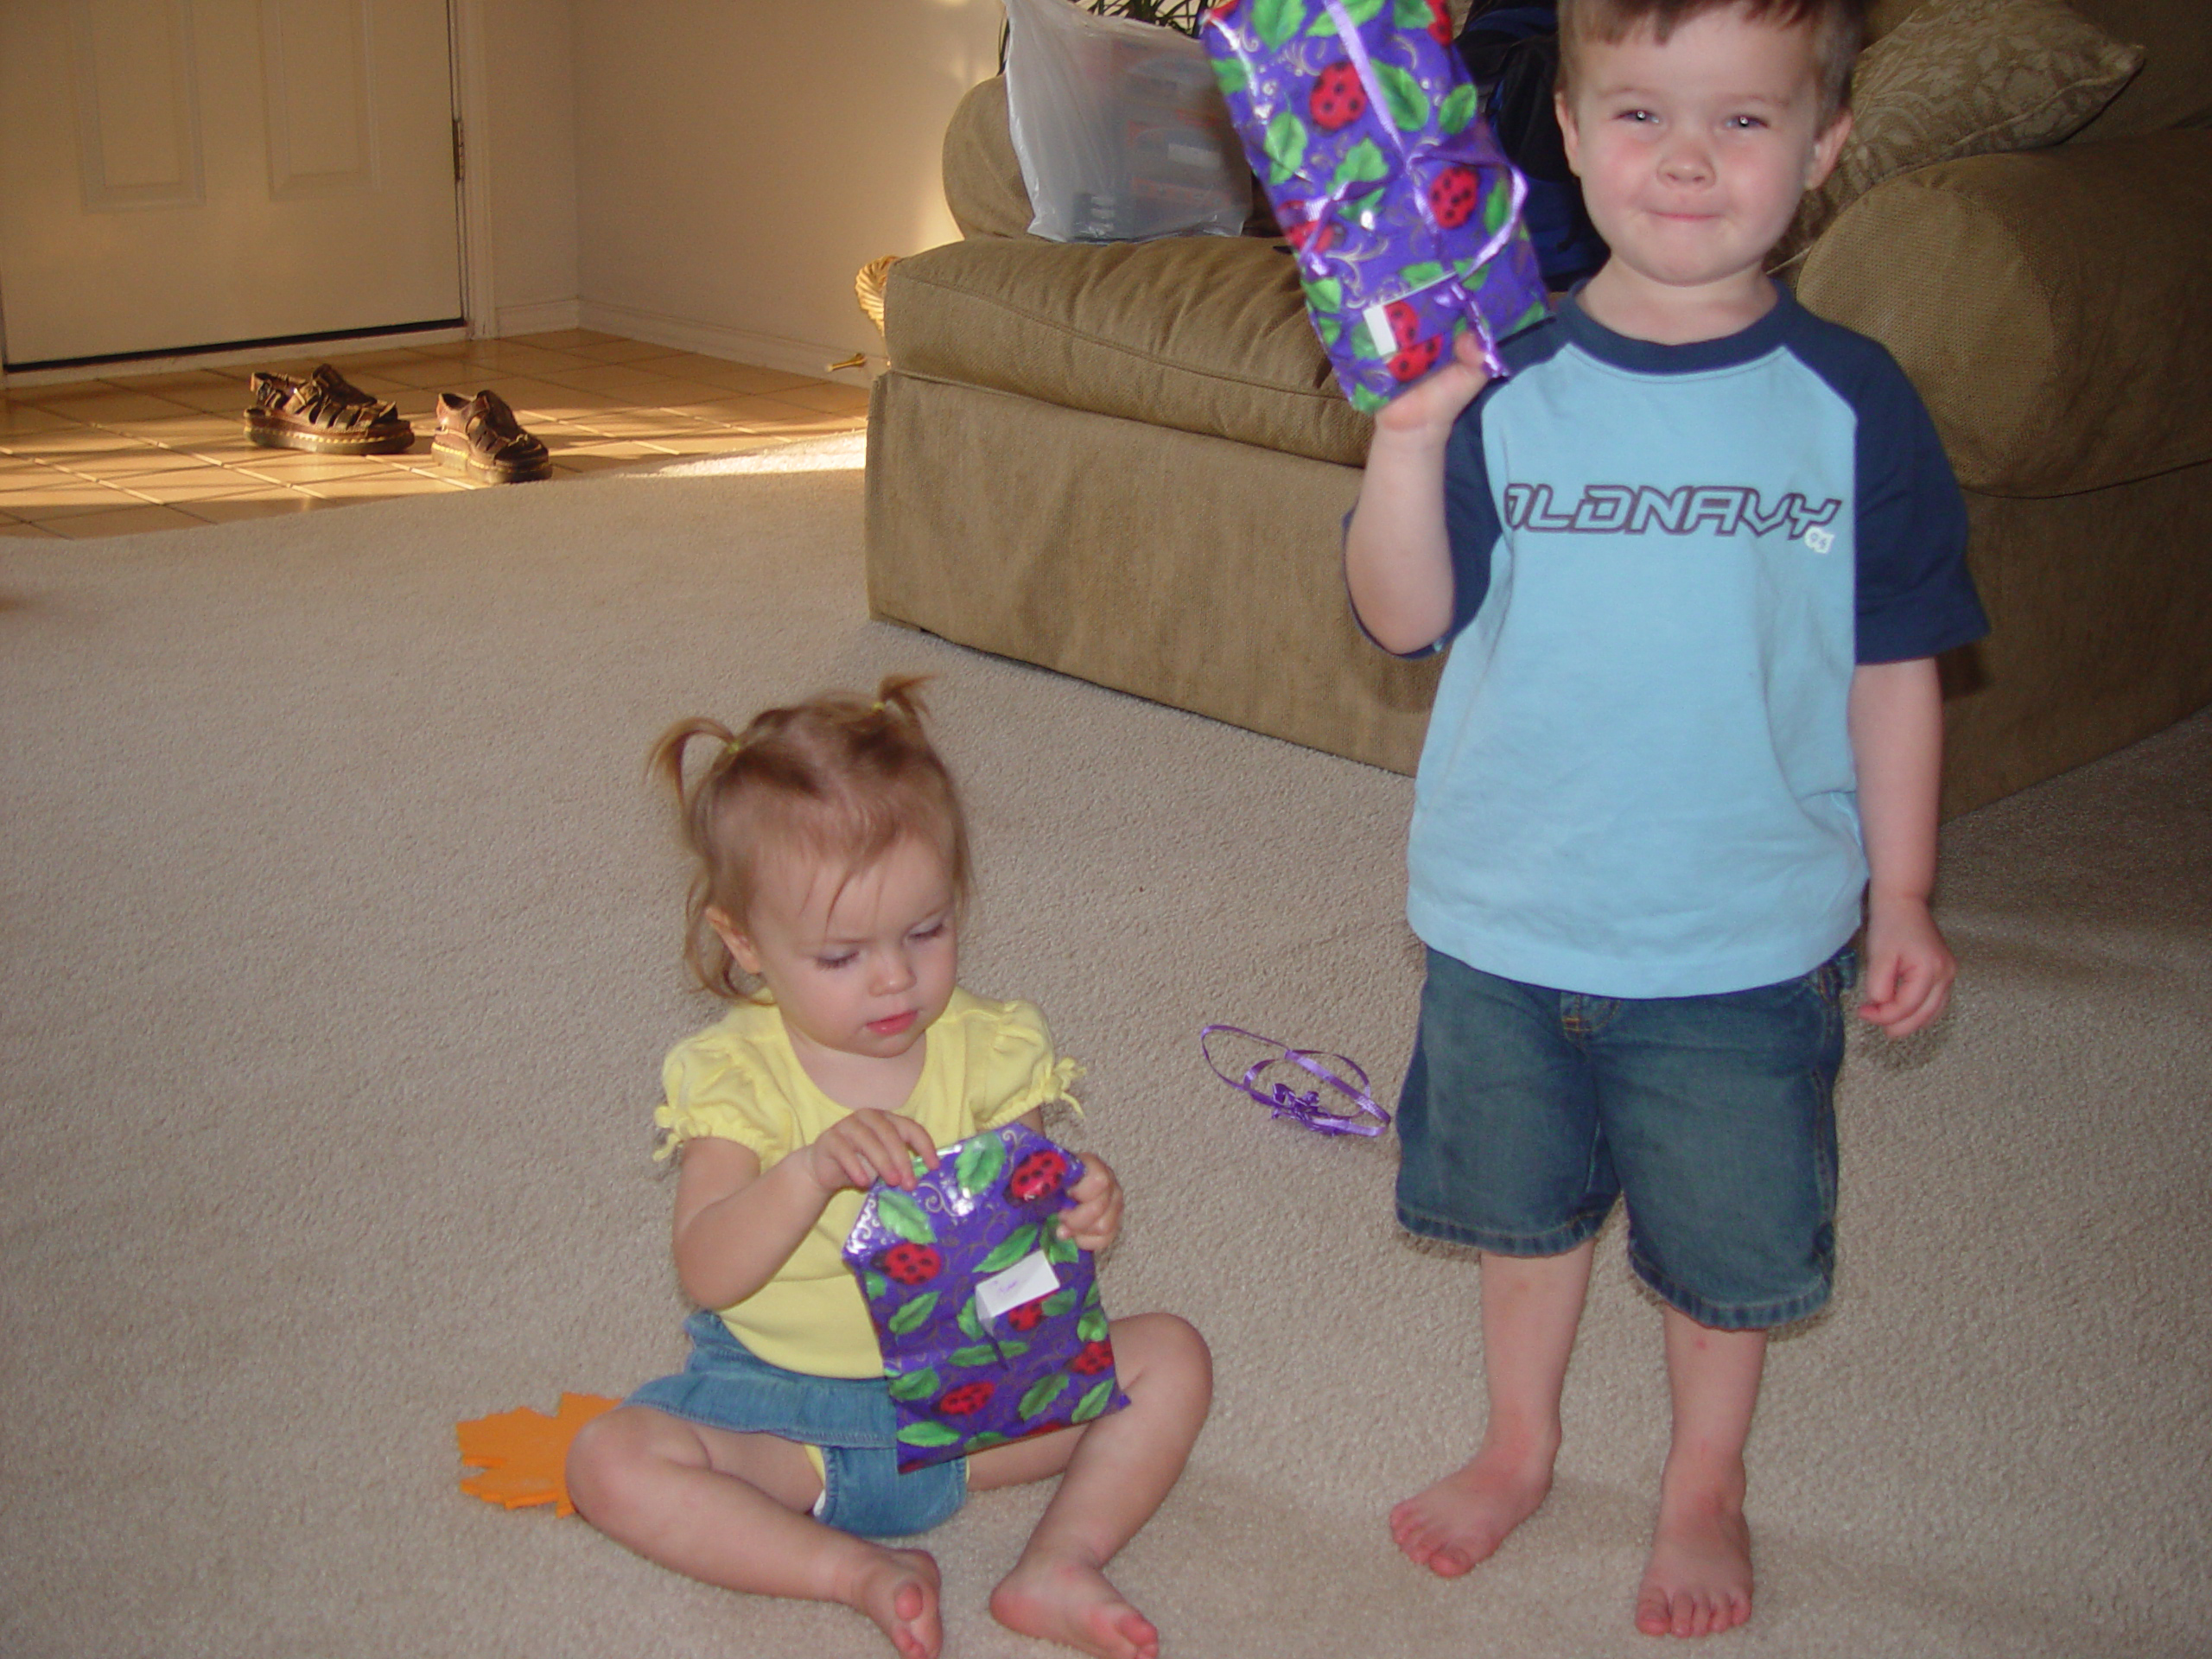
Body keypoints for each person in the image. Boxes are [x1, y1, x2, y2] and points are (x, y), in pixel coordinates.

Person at [1342, 0, 1987, 1638]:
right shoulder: (1501, 381)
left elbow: (1897, 662)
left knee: (1726, 1242)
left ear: (1826, 149)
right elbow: (1403, 620)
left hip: (1745, 933)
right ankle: (1520, 1439)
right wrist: (1407, 445)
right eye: (1639, 114)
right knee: (1522, 1213)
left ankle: (1705, 1478)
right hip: (1506, 913)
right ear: (1564, 130)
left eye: (1745, 121)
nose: (1686, 158)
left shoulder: (1855, 405)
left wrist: (1900, 893)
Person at [565, 677, 1211, 1659]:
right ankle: (853, 1572)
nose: (895, 978)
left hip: (974, 1411)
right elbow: (705, 1269)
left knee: (1173, 1358)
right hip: (781, 1416)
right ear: (746, 946)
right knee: (608, 1462)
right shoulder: (733, 1076)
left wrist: (1081, 1206)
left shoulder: (994, 1050)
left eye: (926, 931)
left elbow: (1028, 1251)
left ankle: (1060, 1561)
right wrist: (807, 1173)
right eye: (840, 955)